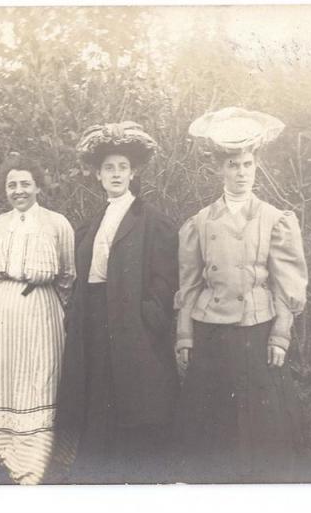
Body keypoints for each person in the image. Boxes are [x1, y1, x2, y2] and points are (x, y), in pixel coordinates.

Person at [174, 107, 309, 483]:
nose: (241, 173)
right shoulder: (199, 222)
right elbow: (189, 285)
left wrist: (281, 334)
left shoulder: (274, 219)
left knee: (260, 430)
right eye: (233, 165)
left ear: (256, 167)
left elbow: (287, 285)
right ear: (220, 170)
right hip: (211, 332)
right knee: (212, 428)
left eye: (247, 164)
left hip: (256, 331)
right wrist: (185, 334)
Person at [57, 122, 179, 483]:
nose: (115, 174)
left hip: (132, 321)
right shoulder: (92, 223)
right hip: (94, 314)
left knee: (133, 391)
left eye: (122, 168)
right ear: (98, 175)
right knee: (98, 387)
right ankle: (99, 468)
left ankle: (136, 471)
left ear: (133, 173)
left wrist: (150, 315)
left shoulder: (151, 219)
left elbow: (164, 277)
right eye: (108, 168)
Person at [0, 155, 77, 485]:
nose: (19, 191)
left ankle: (38, 464)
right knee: (5, 377)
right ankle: (3, 456)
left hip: (42, 307)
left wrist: (57, 311)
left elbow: (67, 275)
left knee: (40, 376)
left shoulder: (56, 223)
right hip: (5, 311)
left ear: (37, 186)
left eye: (25, 184)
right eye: (12, 185)